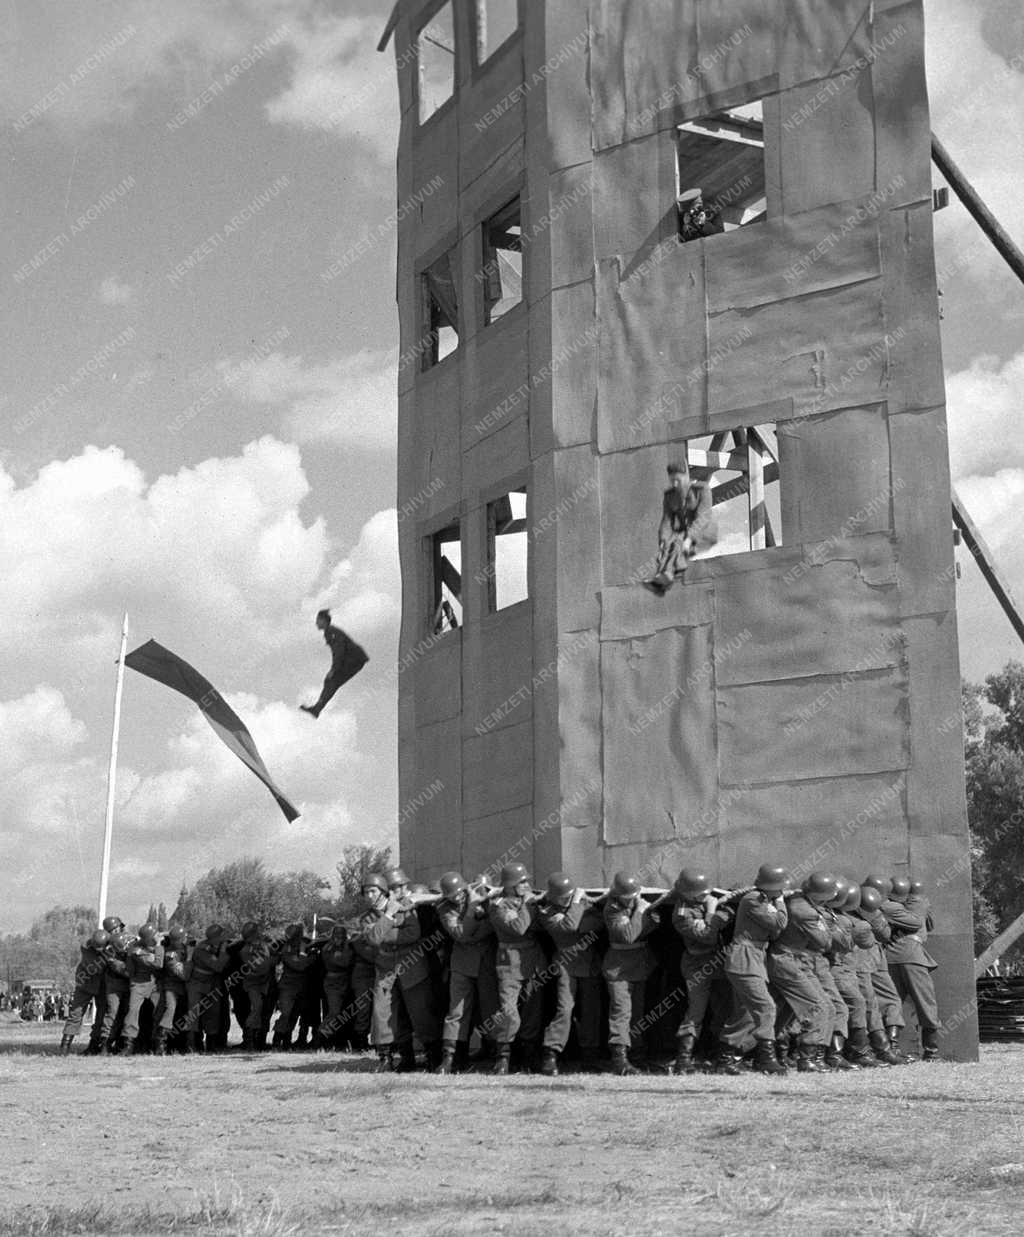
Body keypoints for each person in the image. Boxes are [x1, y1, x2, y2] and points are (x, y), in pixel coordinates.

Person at [362, 869, 441, 1072]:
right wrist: (388, 917)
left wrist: (384, 931)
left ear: (382, 891)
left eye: (372, 891)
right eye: (366, 892)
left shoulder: (407, 908)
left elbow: (413, 933)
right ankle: (389, 1058)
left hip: (412, 968)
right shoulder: (367, 918)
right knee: (383, 1015)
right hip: (385, 972)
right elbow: (372, 939)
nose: (369, 896)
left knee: (421, 1013)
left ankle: (433, 1056)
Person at [718, 864, 789, 1075]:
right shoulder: (754, 899)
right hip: (744, 958)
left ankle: (726, 1058)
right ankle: (765, 1058)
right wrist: (781, 903)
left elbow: (774, 931)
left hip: (754, 958)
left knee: (746, 1013)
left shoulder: (764, 900)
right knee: (766, 1007)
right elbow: (780, 922)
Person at [535, 873, 604, 1076]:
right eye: (564, 897)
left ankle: (590, 1055)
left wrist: (577, 915)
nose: (567, 899)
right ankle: (551, 1053)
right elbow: (569, 927)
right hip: (566, 963)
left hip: (589, 961)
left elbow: (598, 922)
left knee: (591, 1011)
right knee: (564, 1009)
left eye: (570, 895)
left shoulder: (582, 905)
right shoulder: (546, 911)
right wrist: (577, 905)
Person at [671, 869, 733, 1074]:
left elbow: (729, 915)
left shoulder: (703, 901)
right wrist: (711, 913)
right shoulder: (681, 914)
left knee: (723, 1007)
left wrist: (712, 919)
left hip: (717, 960)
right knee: (696, 1010)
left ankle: (718, 1054)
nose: (705, 896)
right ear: (688, 893)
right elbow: (707, 937)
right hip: (697, 963)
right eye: (700, 893)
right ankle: (683, 1059)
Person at [487, 861, 546, 1075]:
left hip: (533, 961)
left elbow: (541, 925)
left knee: (532, 1011)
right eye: (521, 881)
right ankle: (503, 1057)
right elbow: (519, 928)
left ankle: (528, 1057)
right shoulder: (498, 906)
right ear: (510, 884)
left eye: (526, 881)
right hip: (509, 962)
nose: (526, 884)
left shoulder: (527, 902)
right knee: (509, 1012)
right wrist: (529, 906)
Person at [435, 871, 497, 1075]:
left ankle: (497, 1052)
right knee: (457, 1011)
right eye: (452, 895)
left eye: (460, 893)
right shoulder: (445, 909)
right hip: (462, 964)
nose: (457, 897)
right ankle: (451, 1056)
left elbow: (493, 927)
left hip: (488, 962)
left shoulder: (491, 900)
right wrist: (471, 910)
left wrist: (472, 931)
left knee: (491, 1009)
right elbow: (459, 935)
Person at [602, 872, 658, 1076]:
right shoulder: (612, 909)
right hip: (619, 968)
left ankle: (638, 1055)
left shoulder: (635, 905)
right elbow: (627, 936)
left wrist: (644, 915)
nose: (633, 897)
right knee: (621, 1012)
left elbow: (653, 924)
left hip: (639, 965)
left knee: (637, 1014)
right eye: (628, 895)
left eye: (635, 894)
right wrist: (640, 913)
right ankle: (619, 1060)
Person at [884, 876, 941, 1061]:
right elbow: (930, 925)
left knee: (891, 1003)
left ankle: (889, 1049)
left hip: (888, 956)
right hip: (912, 956)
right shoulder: (920, 904)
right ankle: (931, 1052)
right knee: (926, 1003)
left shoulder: (885, 905)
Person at [644, 460, 717, 595]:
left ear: (687, 477)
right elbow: (666, 521)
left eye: (678, 480)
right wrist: (662, 541)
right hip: (685, 532)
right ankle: (662, 581)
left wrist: (689, 538)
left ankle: (667, 576)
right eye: (672, 481)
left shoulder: (702, 490)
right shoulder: (670, 496)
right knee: (669, 543)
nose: (675, 484)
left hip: (705, 531)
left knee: (678, 541)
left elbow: (702, 518)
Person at [301, 609, 368, 718]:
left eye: (318, 620)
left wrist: (334, 669)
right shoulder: (329, 632)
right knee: (330, 681)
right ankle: (317, 708)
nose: (316, 623)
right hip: (353, 660)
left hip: (354, 660)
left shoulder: (331, 632)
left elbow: (339, 651)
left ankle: (317, 709)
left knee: (331, 680)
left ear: (324, 621)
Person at [60, 930, 111, 1055]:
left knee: (101, 1016)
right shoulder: (87, 951)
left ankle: (94, 1045)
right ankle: (65, 1047)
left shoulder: (105, 947)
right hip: (86, 985)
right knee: (76, 1014)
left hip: (102, 986)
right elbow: (97, 968)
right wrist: (111, 953)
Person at [122, 925, 165, 1055]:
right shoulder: (137, 951)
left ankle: (158, 1043)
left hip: (154, 984)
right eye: (154, 936)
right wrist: (158, 945)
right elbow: (158, 964)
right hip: (139, 983)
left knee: (159, 1012)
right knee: (132, 1012)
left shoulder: (147, 947)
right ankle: (128, 1045)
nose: (157, 937)